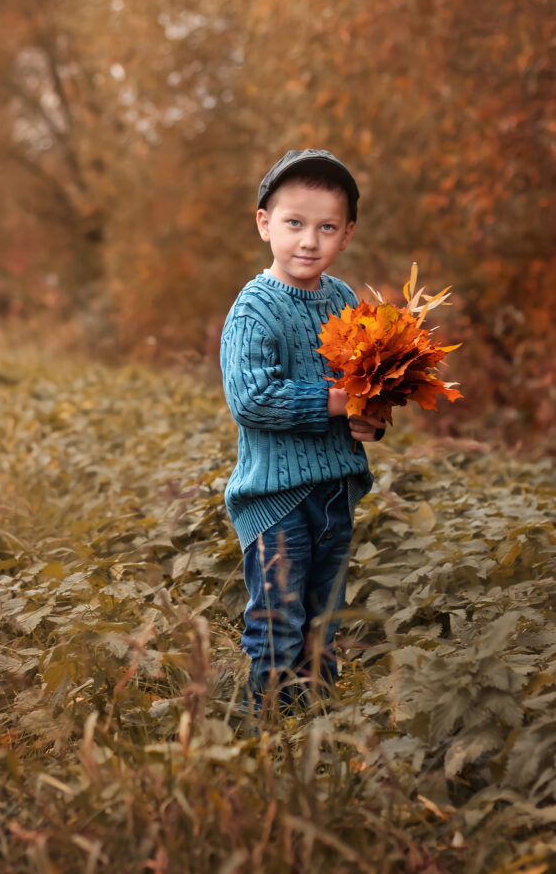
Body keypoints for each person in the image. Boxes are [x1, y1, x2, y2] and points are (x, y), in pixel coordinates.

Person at [220, 149, 385, 713]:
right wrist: (339, 402)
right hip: (277, 499)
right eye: (295, 223)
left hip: (336, 492)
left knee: (324, 627)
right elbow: (252, 399)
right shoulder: (255, 309)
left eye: (326, 227)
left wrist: (369, 416)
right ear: (265, 223)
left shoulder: (343, 300)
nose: (309, 240)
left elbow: (361, 385)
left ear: (347, 234)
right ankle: (262, 735)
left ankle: (315, 735)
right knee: (278, 627)